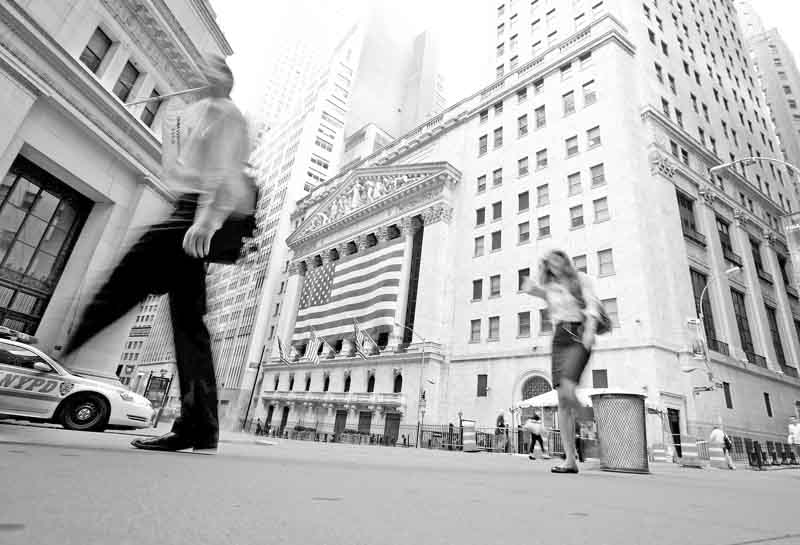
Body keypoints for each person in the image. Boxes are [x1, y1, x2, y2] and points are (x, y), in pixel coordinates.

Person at [61, 54, 254, 454]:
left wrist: (206, 220)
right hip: (189, 207)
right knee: (187, 322)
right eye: (200, 68)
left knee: (124, 284)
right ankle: (199, 425)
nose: (202, 74)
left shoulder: (226, 114)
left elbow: (224, 171)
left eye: (213, 70)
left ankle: (59, 357)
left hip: (196, 214)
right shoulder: (197, 111)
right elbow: (182, 167)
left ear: (227, 78)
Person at [522, 249, 600, 474]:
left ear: (565, 261)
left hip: (579, 334)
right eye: (549, 263)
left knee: (567, 390)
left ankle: (596, 428)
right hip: (559, 338)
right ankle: (570, 460)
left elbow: (592, 305)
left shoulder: (581, 279)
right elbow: (534, 288)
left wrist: (590, 331)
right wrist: (532, 281)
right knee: (563, 401)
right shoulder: (550, 288)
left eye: (557, 260)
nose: (554, 265)